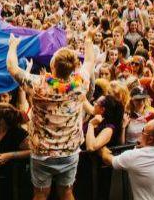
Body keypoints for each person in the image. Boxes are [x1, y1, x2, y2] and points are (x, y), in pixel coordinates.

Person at [7, 27, 98, 200]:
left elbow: (12, 67)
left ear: (52, 65)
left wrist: (13, 45)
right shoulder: (80, 84)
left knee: (41, 194)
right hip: (69, 152)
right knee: (67, 192)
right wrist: (88, 39)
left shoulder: (38, 85)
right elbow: (90, 62)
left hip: (43, 153)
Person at [98, 120, 154, 200]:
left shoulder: (135, 157)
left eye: (143, 131)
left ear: (150, 139)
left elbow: (108, 160)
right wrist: (143, 144)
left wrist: (101, 148)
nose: (140, 134)